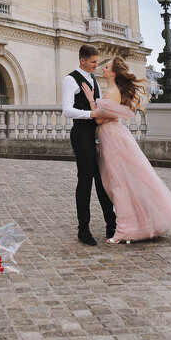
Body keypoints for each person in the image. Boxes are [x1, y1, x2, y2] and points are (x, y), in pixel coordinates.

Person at [82, 57, 171, 243]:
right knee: (124, 182)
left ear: (113, 73)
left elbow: (99, 120)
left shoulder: (111, 92)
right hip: (114, 136)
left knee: (118, 184)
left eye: (107, 67)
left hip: (111, 138)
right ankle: (137, 223)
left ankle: (124, 231)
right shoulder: (112, 91)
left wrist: (90, 101)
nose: (103, 69)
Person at [62, 44, 117, 246]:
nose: (96, 65)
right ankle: (83, 229)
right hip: (81, 134)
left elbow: (99, 103)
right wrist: (91, 114)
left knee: (102, 180)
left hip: (95, 133)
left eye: (97, 61)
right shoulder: (70, 80)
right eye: (93, 61)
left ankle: (111, 225)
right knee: (85, 181)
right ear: (82, 60)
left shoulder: (93, 79)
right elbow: (67, 110)